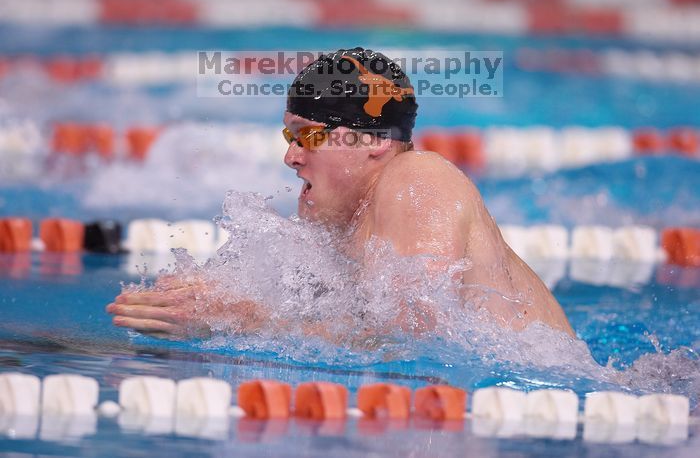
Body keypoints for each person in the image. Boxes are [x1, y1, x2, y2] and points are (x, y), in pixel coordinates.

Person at [107, 48, 574, 340]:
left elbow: (415, 334)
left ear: (372, 140)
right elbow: (341, 323)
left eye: (307, 136)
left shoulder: (418, 178)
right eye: (289, 138)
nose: (291, 158)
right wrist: (210, 302)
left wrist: (243, 319)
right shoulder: (346, 220)